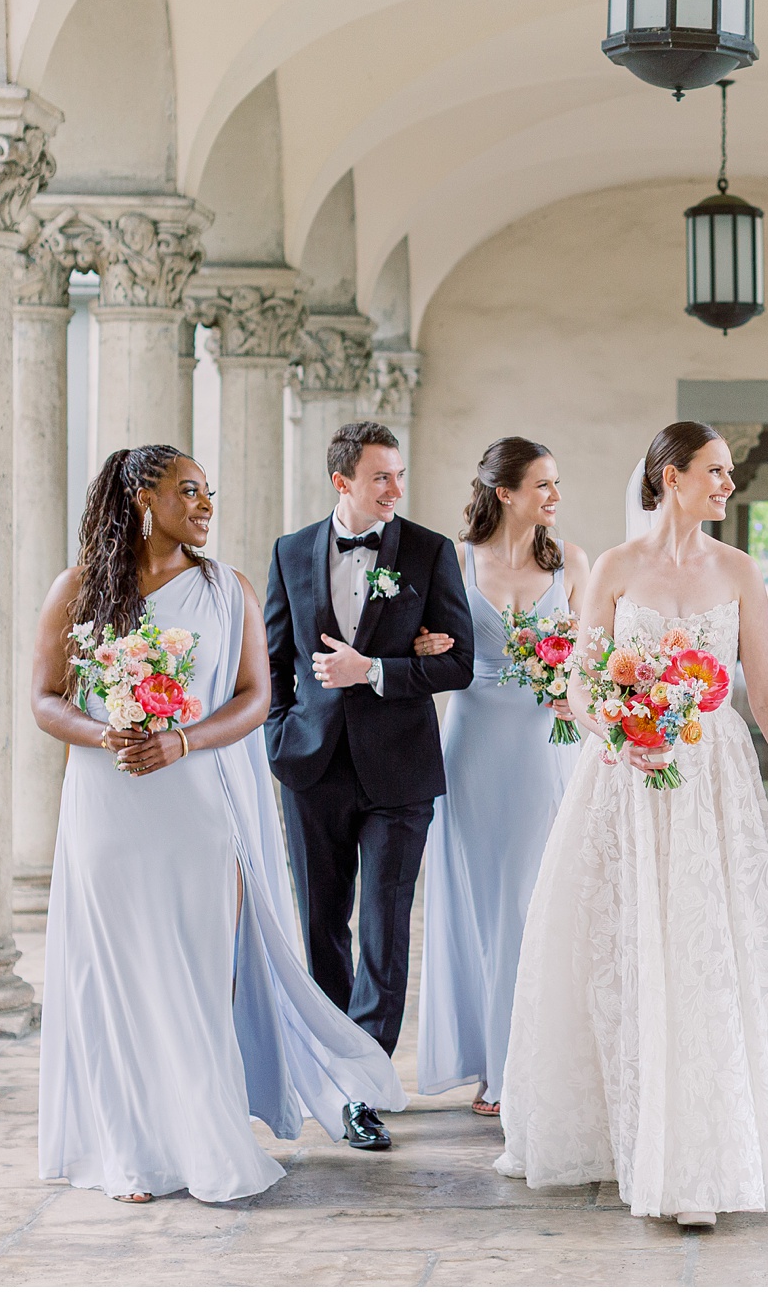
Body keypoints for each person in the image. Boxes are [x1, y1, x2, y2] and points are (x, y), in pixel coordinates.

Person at [33, 445, 404, 1203]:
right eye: (189, 490)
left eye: (210, 491)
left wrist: (181, 739)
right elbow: (44, 698)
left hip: (194, 798)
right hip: (108, 802)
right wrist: (104, 732)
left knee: (200, 973)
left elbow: (253, 697)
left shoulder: (225, 587)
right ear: (143, 495)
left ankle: (205, 1138)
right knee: (119, 972)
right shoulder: (77, 589)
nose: (206, 504)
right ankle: (132, 1149)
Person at [497, 422, 768, 1229]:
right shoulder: (614, 567)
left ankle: (701, 1152)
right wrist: (621, 735)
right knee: (627, 943)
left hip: (711, 776)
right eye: (715, 471)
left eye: (728, 472)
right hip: (626, 775)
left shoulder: (740, 570)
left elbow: (763, 696)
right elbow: (582, 686)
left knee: (705, 946)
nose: (728, 484)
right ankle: (631, 1131)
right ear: (670, 475)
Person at [264, 420, 476, 1147]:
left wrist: (377, 669)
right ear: (342, 481)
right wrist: (279, 739)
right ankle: (328, 1065)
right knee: (321, 924)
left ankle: (362, 1086)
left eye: (400, 474)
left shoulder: (428, 550)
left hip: (401, 769)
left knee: (384, 933)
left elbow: (459, 665)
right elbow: (272, 662)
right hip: (310, 767)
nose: (396, 488)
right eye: (381, 476)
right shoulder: (290, 552)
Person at [414, 437, 590, 1117]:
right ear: (505, 492)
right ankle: (491, 1062)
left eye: (556, 483)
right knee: (481, 905)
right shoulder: (455, 563)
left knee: (534, 899)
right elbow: (423, 644)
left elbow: (594, 650)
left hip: (546, 742)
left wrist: (571, 680)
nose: (554, 496)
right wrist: (422, 645)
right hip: (475, 742)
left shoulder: (571, 559)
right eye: (541, 485)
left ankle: (533, 1062)